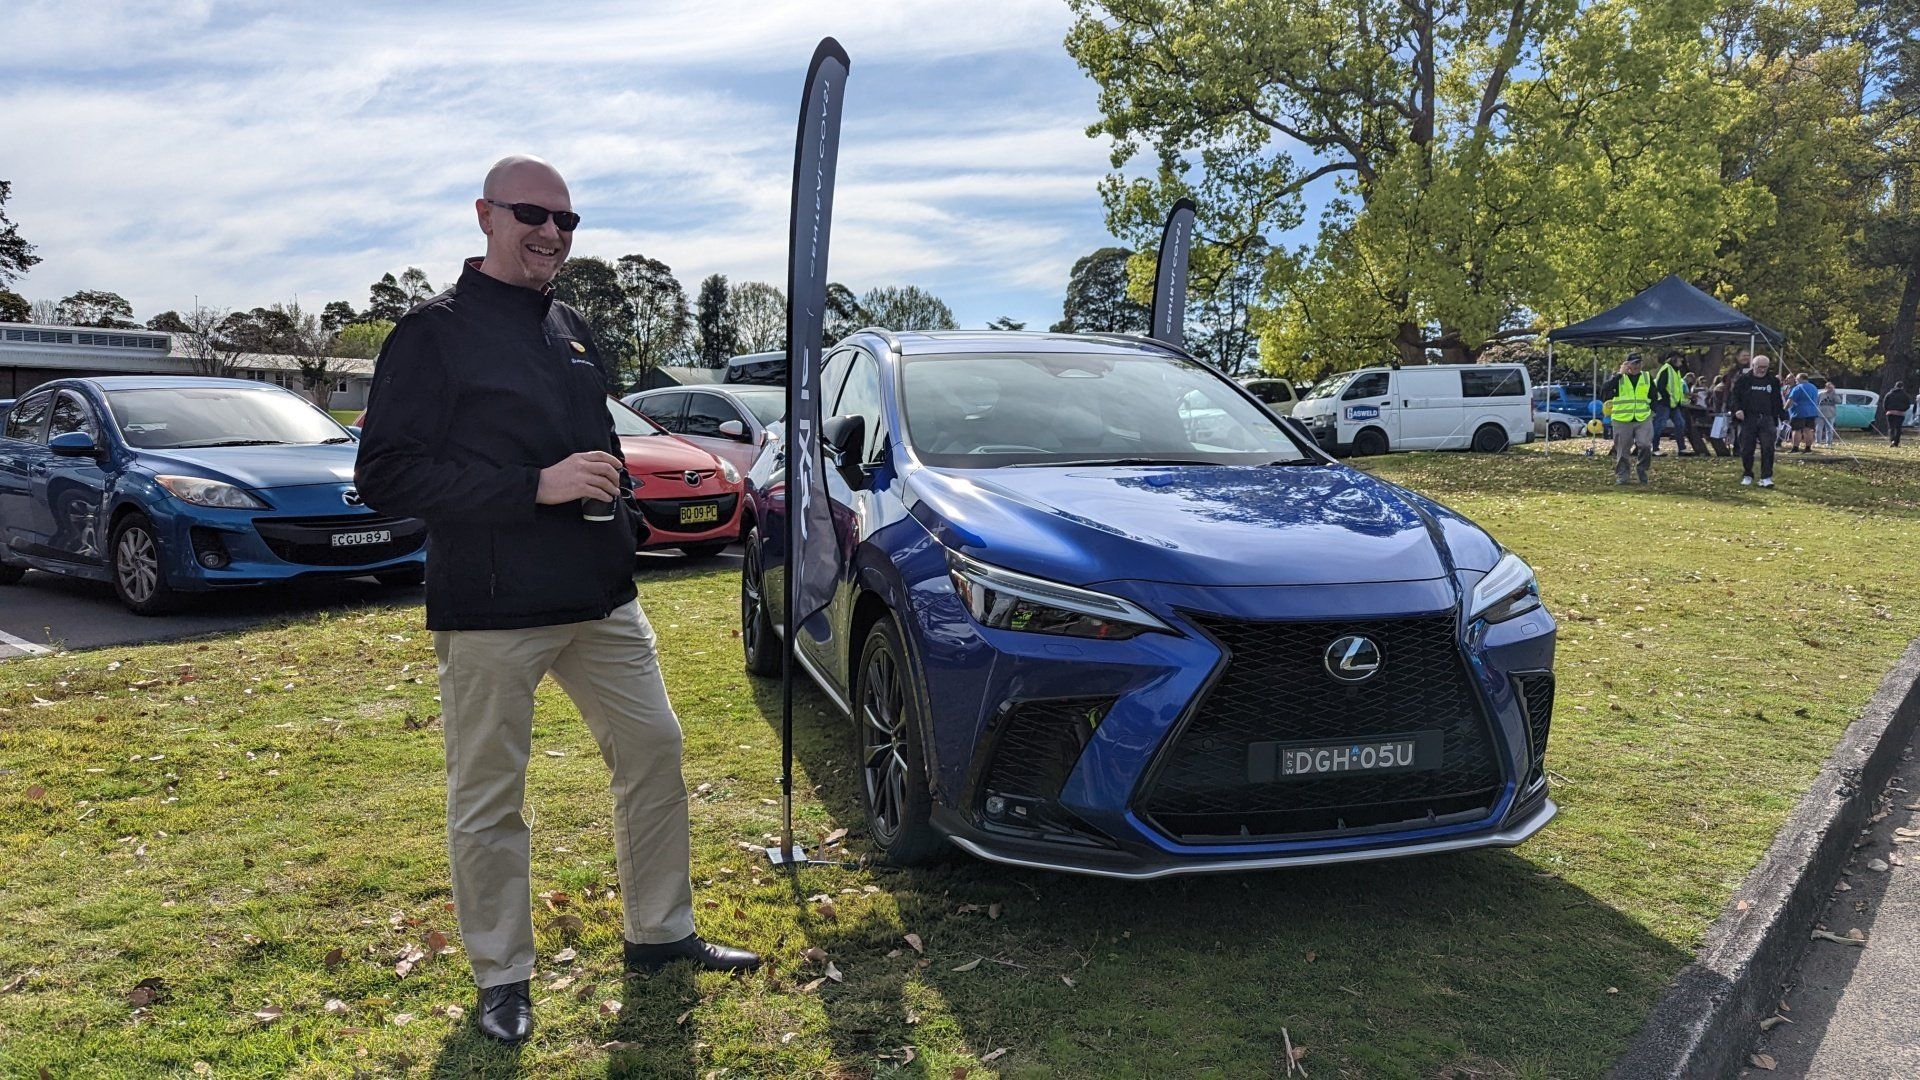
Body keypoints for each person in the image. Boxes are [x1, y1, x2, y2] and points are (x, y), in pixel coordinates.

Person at [354, 155, 758, 1045]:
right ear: (485, 216)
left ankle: (661, 931)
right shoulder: (431, 333)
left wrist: (617, 515)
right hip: (493, 607)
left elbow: (592, 442)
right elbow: (384, 473)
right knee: (490, 792)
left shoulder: (571, 324)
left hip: (600, 597)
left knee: (654, 750)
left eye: (567, 222)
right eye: (533, 215)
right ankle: (503, 974)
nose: (552, 234)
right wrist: (530, 485)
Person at [1731, 354, 1783, 486]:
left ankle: (1766, 477)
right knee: (1747, 449)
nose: (1762, 370)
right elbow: (1734, 397)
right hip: (1749, 419)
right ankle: (1748, 473)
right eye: (1759, 367)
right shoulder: (1743, 380)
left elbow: (1777, 400)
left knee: (1768, 448)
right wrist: (1737, 410)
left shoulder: (1773, 381)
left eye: (1765, 367)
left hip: (1767, 419)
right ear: (1753, 366)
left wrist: (1780, 416)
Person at [1602, 354, 1654, 484]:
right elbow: (1604, 390)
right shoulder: (1618, 377)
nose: (1636, 366)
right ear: (1627, 364)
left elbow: (1654, 394)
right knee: (1623, 450)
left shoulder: (1646, 377)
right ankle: (1622, 476)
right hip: (1622, 419)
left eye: (1639, 363)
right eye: (1634, 363)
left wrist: (1653, 410)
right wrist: (1619, 374)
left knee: (1645, 445)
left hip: (1642, 417)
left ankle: (1642, 469)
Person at [1650, 351, 1689, 456]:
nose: (1682, 361)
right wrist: (1667, 399)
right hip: (1664, 403)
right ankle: (1654, 449)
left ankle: (1682, 448)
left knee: (1680, 423)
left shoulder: (1675, 371)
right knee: (1659, 425)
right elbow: (1661, 386)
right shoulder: (1667, 369)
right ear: (1674, 359)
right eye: (1680, 358)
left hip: (1673, 404)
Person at [1785, 372, 1820, 453]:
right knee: (1808, 430)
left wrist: (1785, 408)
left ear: (1802, 378)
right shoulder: (1814, 387)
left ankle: (1795, 448)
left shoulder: (1798, 387)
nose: (1796, 380)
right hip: (1812, 412)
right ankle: (1808, 448)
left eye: (1797, 378)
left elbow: (1790, 400)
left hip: (1799, 412)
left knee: (1796, 430)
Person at [1706, 376, 1732, 457]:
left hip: (1716, 411)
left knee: (1718, 431)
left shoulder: (1717, 387)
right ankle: (1725, 449)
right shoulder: (1724, 388)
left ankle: (1722, 448)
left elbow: (1709, 400)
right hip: (1723, 411)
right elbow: (1726, 401)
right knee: (1726, 430)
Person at [1887, 382, 1913, 447]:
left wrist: (1888, 410)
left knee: (1891, 427)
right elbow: (1908, 405)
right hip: (1900, 413)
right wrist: (1903, 409)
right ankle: (1896, 442)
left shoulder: (1889, 394)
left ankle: (1892, 440)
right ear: (1902, 387)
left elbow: (1885, 403)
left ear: (1895, 386)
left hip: (1890, 413)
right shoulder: (1905, 395)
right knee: (1898, 428)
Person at [1816, 381, 1838, 447]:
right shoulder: (1820, 394)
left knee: (1829, 430)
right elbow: (1816, 402)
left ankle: (1829, 443)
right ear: (1825, 387)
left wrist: (1834, 394)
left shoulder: (1834, 395)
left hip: (1831, 414)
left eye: (1831, 388)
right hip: (1820, 414)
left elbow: (1839, 401)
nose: (1829, 389)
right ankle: (1818, 442)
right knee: (1818, 429)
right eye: (1828, 387)